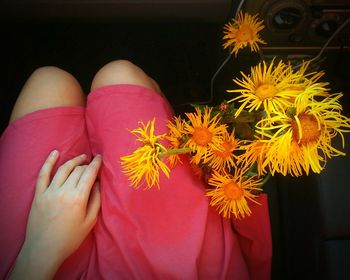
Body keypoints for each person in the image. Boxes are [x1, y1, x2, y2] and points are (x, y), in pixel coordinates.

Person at [0, 60, 272, 279]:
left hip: (33, 265)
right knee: (119, 76)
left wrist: (41, 249)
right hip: (174, 270)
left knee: (49, 83)